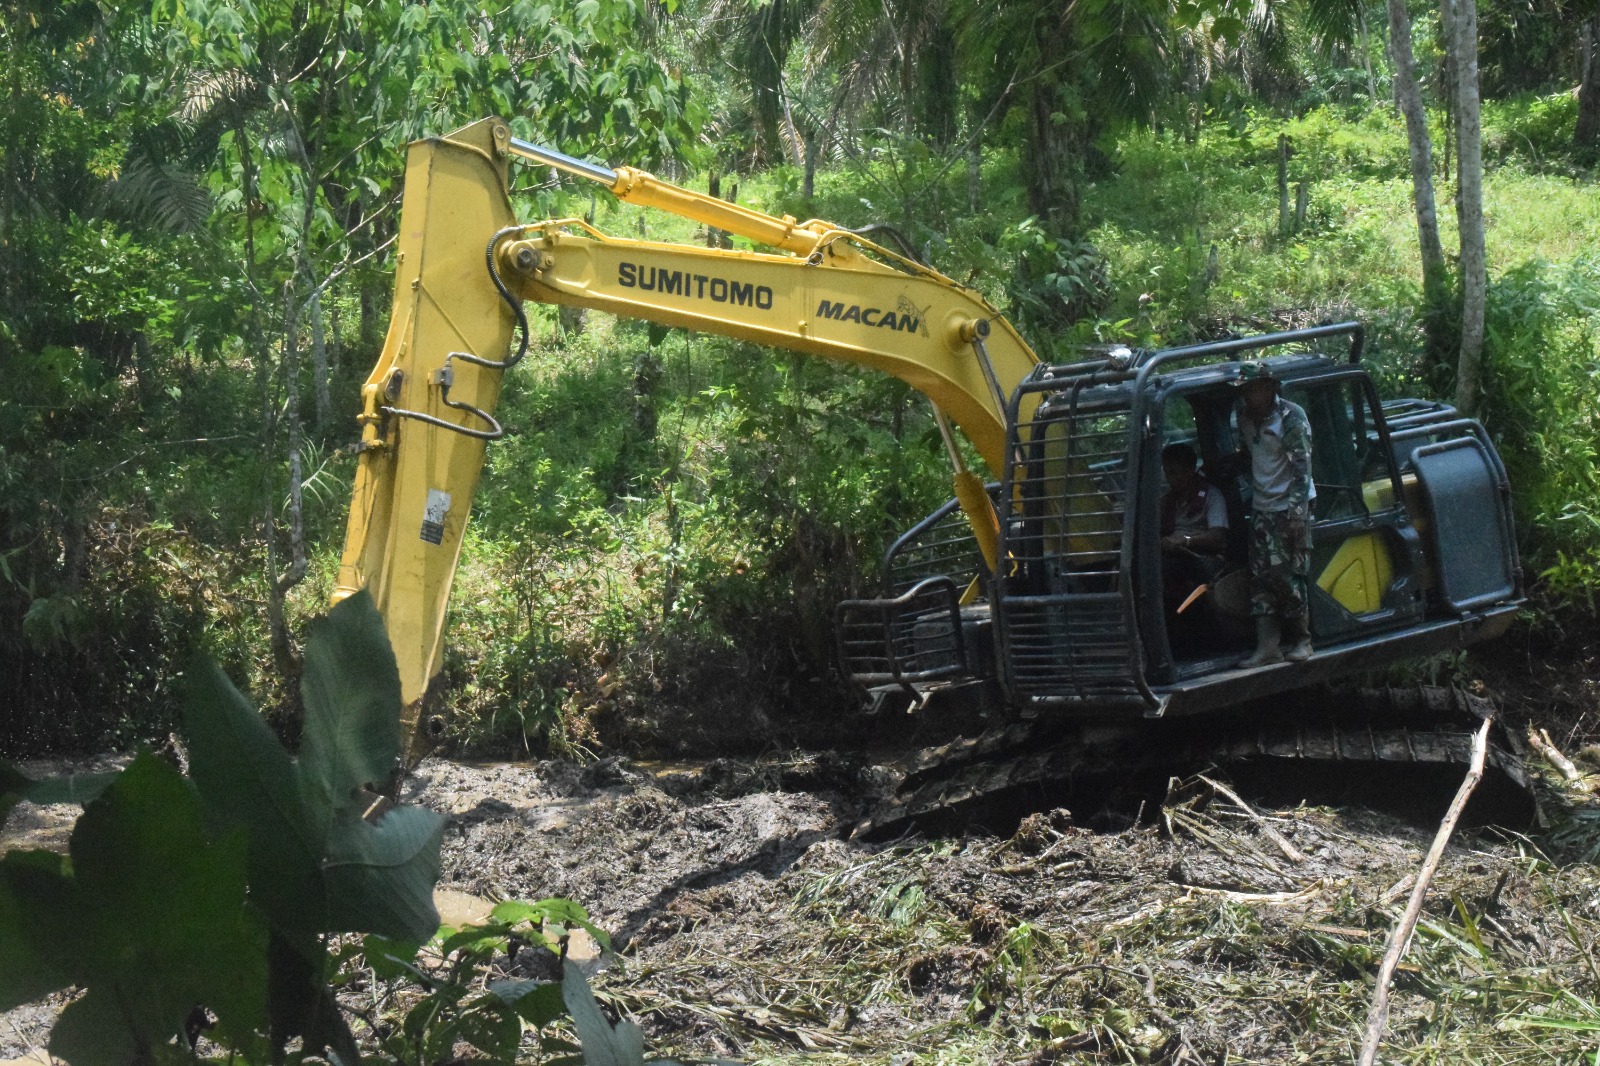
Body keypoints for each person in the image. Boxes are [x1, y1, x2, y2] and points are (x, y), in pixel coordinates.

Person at [1230, 360, 1315, 666]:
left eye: (1251, 389)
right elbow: (1248, 454)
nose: (1246, 395)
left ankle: (1303, 640)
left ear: (1267, 388)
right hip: (1262, 505)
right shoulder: (1243, 417)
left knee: (1288, 573)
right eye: (1243, 390)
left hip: (1289, 506)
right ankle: (1268, 647)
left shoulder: (1291, 417)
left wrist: (1296, 514)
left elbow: (1302, 468)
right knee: (1261, 576)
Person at [1159, 442, 1228, 614]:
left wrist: (1186, 541)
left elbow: (1219, 538)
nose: (1172, 478)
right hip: (1171, 557)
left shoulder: (1211, 495)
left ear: (1191, 470)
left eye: (1177, 472)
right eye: (1168, 473)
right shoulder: (1165, 502)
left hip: (1204, 559)